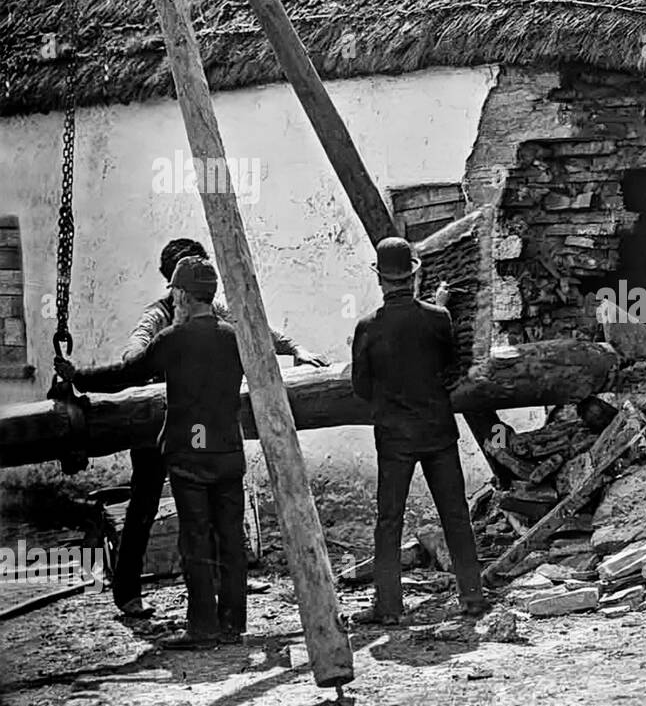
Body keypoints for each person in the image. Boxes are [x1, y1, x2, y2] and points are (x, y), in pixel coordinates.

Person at [111, 237, 326, 619]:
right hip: (160, 424)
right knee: (143, 503)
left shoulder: (214, 311)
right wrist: (156, 368)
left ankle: (228, 586)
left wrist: (295, 349)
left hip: (198, 428)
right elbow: (135, 353)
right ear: (173, 285)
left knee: (217, 502)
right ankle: (128, 591)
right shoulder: (158, 316)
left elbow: (253, 329)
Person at [57, 257, 249, 649]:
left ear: (180, 295)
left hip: (189, 456)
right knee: (229, 538)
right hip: (228, 452)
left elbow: (126, 374)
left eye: (175, 295)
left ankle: (203, 627)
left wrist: (78, 376)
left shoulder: (172, 340)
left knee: (194, 540)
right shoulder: (234, 337)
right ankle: (233, 624)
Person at [351, 236, 487, 623]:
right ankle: (472, 597)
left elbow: (360, 387)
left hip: (394, 436)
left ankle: (390, 606)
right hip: (438, 431)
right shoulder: (438, 318)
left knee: (389, 519)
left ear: (380, 279)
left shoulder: (367, 328)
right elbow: (449, 363)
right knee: (455, 514)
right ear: (414, 274)